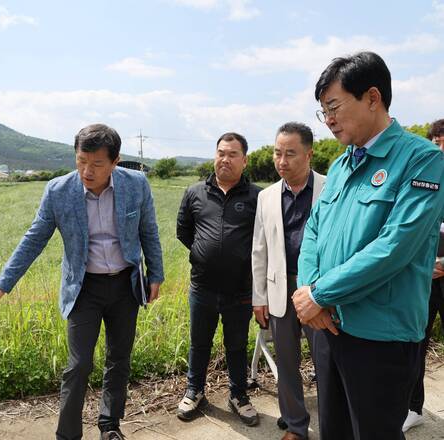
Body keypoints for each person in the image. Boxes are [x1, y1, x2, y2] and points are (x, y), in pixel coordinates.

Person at [292, 51, 444, 440]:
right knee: (335, 432)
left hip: (380, 336)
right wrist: (309, 294)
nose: (327, 119)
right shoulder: (343, 164)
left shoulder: (422, 159)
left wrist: (320, 293)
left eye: (334, 106)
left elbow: (395, 247)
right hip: (330, 326)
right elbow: (314, 231)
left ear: (372, 97)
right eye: (322, 110)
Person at [0, 123, 164, 440]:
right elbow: (33, 240)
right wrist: (2, 285)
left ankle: (110, 425)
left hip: (125, 285)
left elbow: (149, 231)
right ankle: (67, 435)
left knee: (119, 360)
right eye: (81, 161)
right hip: (84, 288)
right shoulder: (58, 191)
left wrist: (156, 274)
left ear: (115, 161)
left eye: (96, 164)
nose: (86, 171)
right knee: (78, 365)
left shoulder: (136, 185)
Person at [175, 132, 261, 426]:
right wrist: (204, 253)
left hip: (241, 290)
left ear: (244, 160)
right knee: (199, 343)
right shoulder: (195, 192)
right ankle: (195, 391)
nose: (225, 159)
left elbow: (262, 240)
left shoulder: (257, 197)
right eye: (221, 153)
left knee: (236, 345)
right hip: (203, 287)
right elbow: (183, 231)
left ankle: (239, 395)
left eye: (233, 154)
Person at [252, 122, 326, 440]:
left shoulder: (331, 187)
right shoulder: (267, 196)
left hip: (320, 291)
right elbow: (259, 249)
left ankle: (335, 423)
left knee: (327, 361)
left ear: (309, 154)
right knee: (286, 363)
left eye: (290, 154)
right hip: (280, 290)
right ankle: (296, 426)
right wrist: (259, 296)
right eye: (277, 153)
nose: (282, 161)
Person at [403, 118, 444, 432]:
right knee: (417, 343)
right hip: (425, 280)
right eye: (437, 143)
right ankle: (412, 407)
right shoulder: (422, 183)